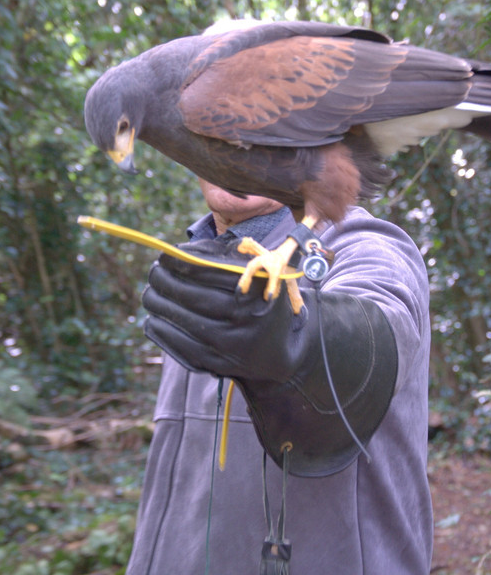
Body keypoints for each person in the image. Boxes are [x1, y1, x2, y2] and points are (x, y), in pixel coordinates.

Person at [126, 180, 432, 574]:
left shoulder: (366, 245)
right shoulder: (192, 266)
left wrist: (296, 345)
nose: (236, 146)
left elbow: (379, 330)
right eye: (216, 127)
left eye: (258, 125)